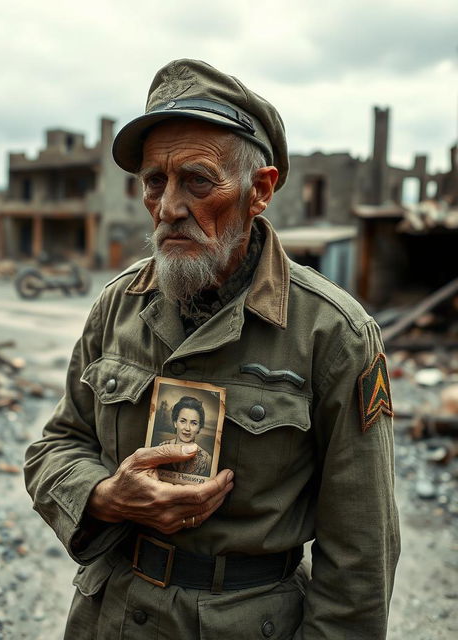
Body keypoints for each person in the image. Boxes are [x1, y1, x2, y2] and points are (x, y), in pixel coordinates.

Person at [24, 59, 400, 639]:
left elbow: (359, 558)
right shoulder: (118, 306)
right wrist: (105, 496)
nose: (169, 206)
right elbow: (56, 446)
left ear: (260, 190)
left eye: (198, 180)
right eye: (155, 182)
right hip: (111, 617)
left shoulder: (332, 333)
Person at [158, 395, 212, 476]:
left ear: (199, 427)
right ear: (175, 423)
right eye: (183, 421)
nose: (187, 428)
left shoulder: (206, 460)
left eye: (194, 423)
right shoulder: (161, 448)